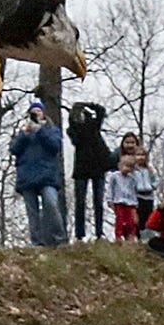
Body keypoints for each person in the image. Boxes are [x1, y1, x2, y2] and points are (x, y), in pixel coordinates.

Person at [10, 100, 66, 247]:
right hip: (27, 176)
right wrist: (24, 134)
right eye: (33, 112)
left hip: (47, 176)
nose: (36, 114)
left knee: (51, 204)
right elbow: (14, 149)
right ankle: (37, 242)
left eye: (38, 111)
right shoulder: (23, 132)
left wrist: (40, 131)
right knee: (32, 212)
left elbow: (55, 146)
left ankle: (58, 239)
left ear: (43, 114)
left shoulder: (52, 130)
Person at [66, 101, 112, 241]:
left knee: (98, 201)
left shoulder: (93, 124)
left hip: (97, 165)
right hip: (81, 167)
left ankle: (99, 232)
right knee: (80, 202)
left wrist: (89, 104)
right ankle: (80, 234)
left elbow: (101, 111)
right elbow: (73, 124)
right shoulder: (73, 129)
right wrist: (75, 110)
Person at [105, 143, 155, 240]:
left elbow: (133, 191)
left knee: (131, 221)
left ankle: (132, 236)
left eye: (130, 167)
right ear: (120, 165)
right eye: (125, 166)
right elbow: (110, 189)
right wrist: (110, 200)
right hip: (118, 201)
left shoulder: (132, 179)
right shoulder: (115, 176)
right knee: (120, 220)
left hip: (130, 203)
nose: (127, 169)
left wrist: (135, 203)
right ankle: (118, 237)